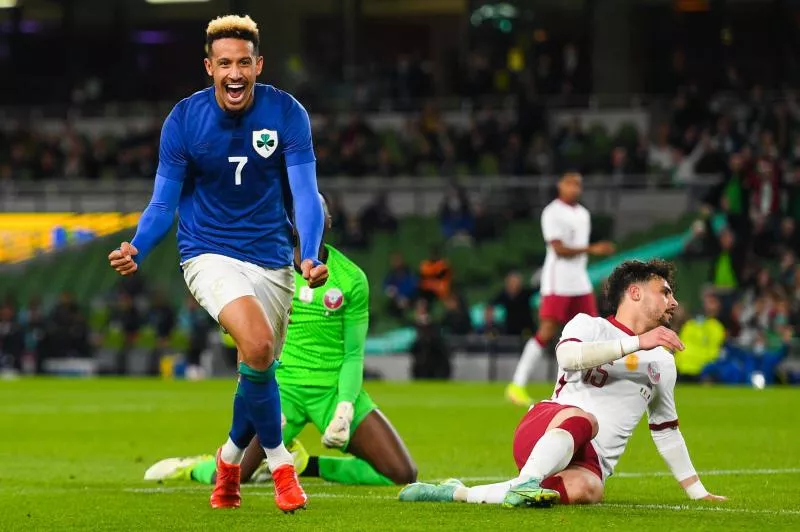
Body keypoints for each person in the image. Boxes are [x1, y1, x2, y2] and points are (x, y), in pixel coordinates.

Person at [107, 14, 328, 513]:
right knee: (256, 344)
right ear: (209, 67)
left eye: (244, 62)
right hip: (207, 253)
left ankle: (228, 463)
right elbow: (163, 204)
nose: (234, 72)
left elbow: (306, 194)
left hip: (272, 261)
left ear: (258, 65)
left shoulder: (287, 113)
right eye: (224, 62)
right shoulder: (184, 120)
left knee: (258, 364)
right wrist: (138, 245)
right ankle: (282, 469)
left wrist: (310, 253)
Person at [399, 260, 726, 507]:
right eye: (665, 292)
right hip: (548, 426)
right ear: (635, 292)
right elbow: (568, 357)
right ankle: (527, 480)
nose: (674, 302)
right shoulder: (589, 324)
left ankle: (458, 493)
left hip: (590, 462)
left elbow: (665, 429)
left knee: (591, 491)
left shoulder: (663, 362)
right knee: (587, 419)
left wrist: (698, 493)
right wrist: (637, 343)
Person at [143, 195, 417, 488]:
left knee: (402, 474)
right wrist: (255, 394)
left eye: (316, 213)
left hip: (332, 391)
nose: (307, 221)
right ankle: (193, 467)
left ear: (328, 221)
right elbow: (247, 338)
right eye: (299, 216)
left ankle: (308, 465)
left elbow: (353, 354)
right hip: (282, 391)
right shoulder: (267, 271)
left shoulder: (351, 279)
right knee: (229, 476)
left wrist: (345, 408)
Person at [506, 172, 615, 406]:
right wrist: (593, 249)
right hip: (558, 281)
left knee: (593, 330)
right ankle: (517, 384)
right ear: (560, 186)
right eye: (570, 183)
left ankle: (592, 386)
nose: (575, 188)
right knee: (547, 331)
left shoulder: (583, 214)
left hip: (579, 280)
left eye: (578, 184)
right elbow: (559, 250)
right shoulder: (552, 212)